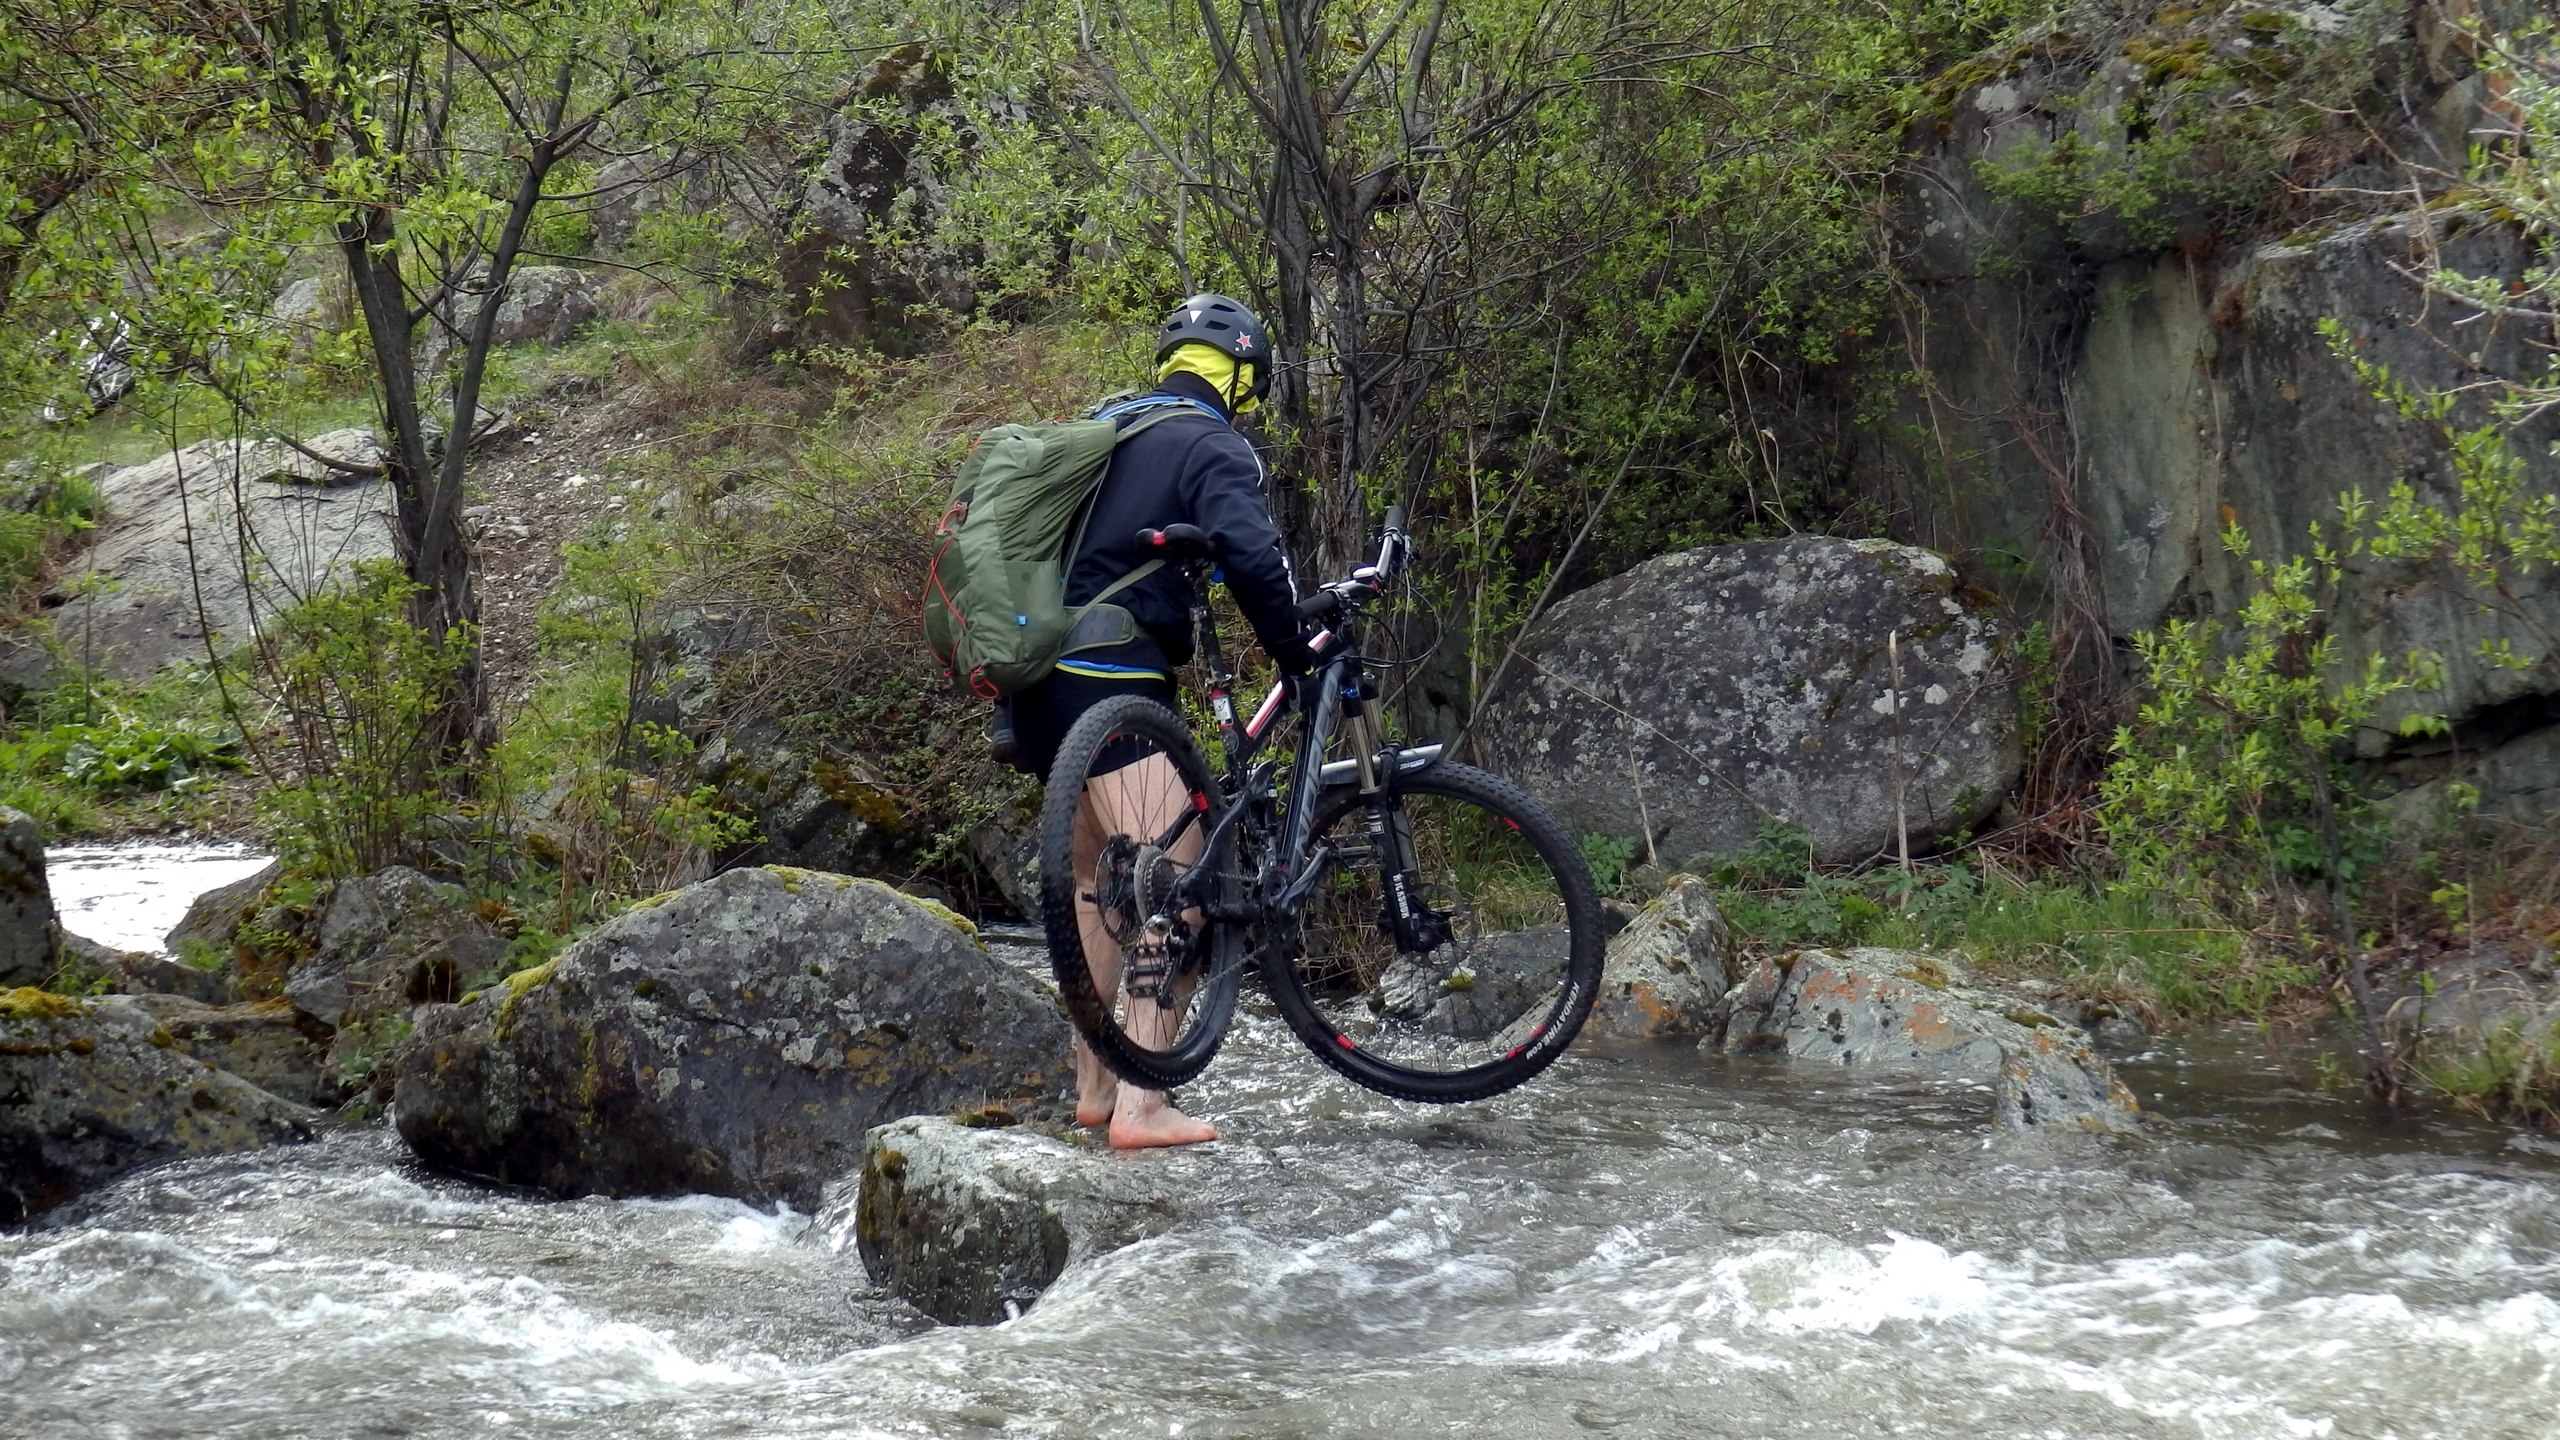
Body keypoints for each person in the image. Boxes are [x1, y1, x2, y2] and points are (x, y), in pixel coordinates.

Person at [1007, 294, 1310, 1150]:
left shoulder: (1105, 428)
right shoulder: (1209, 441)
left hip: (1035, 691)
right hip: (1110, 676)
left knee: (1098, 889)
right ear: (1242, 375)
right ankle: (1146, 1105)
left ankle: (1097, 1092)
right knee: (1178, 880)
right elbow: (1252, 556)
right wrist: (1293, 649)